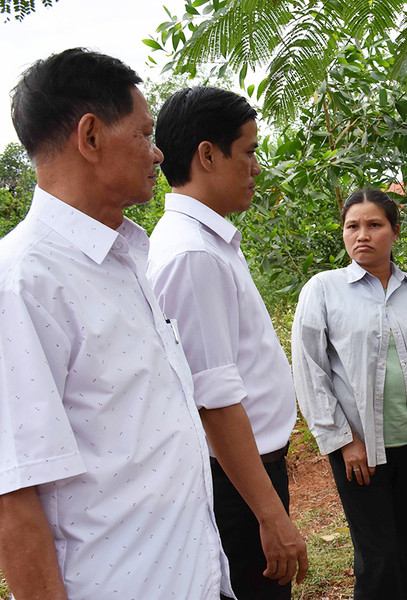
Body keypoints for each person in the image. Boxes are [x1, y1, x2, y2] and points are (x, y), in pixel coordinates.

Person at [0, 49, 233, 599]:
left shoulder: (126, 257)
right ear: (90, 136)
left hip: (187, 577)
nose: (156, 153)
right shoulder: (23, 281)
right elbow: (14, 495)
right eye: (144, 133)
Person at [147, 86, 309, 599]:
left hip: (244, 475)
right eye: (249, 151)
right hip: (237, 483)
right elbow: (212, 400)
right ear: (208, 155)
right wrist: (270, 515)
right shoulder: (194, 254)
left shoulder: (204, 243)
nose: (257, 167)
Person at [292, 188, 407, 600]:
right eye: (352, 226)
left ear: (395, 232)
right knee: (378, 554)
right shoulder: (323, 290)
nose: (362, 235)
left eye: (374, 225)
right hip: (358, 449)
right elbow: (309, 371)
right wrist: (343, 440)